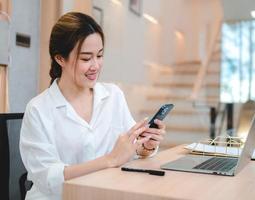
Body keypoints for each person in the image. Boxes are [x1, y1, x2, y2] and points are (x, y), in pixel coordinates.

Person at [19, 12, 166, 200]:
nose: (95, 66)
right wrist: (110, 159)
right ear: (60, 59)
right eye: (86, 58)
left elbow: (129, 154)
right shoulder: (38, 109)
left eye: (100, 55)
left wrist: (144, 147)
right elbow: (50, 180)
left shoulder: (113, 96)